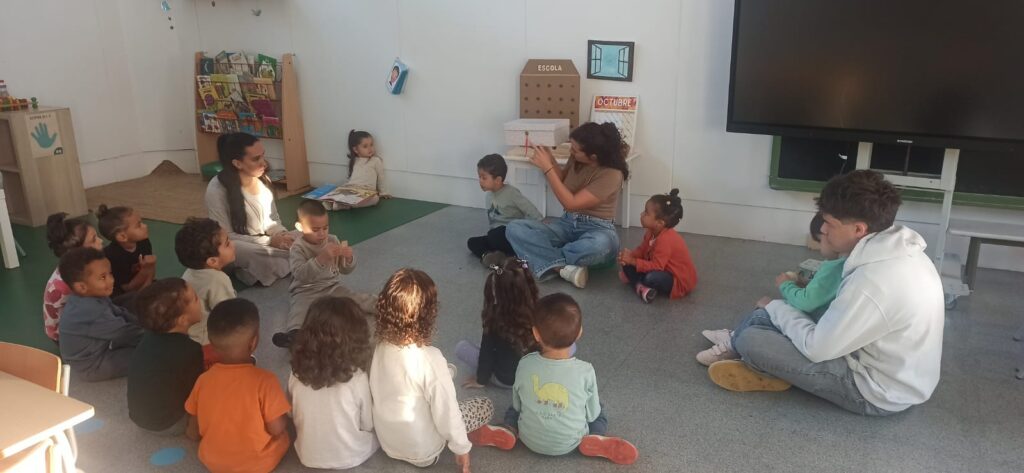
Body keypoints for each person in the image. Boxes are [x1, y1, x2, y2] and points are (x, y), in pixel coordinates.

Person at [700, 170, 945, 416]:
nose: (823, 230)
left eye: (830, 223)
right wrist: (778, 310)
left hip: (876, 391)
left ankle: (752, 356)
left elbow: (817, 348)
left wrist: (776, 307)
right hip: (878, 362)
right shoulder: (899, 251)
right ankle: (753, 355)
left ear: (859, 229)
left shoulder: (872, 281)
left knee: (753, 339)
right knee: (776, 313)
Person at [471, 293, 638, 465]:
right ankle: (595, 436)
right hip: (571, 443)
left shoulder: (525, 363)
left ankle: (510, 429)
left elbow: (517, 404)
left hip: (529, 439)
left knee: (514, 408)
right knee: (599, 409)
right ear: (579, 333)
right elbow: (592, 413)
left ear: (535, 333)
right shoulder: (585, 370)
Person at [369, 268, 494, 472]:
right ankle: (471, 435)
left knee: (438, 383)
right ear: (428, 315)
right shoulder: (430, 358)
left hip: (389, 445)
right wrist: (461, 449)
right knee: (484, 405)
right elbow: (447, 412)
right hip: (425, 454)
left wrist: (442, 374)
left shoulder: (380, 346)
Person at [505, 122, 629, 289]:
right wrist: (549, 158)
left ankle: (546, 258)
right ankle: (562, 267)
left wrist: (547, 168)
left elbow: (571, 204)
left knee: (600, 245)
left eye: (575, 150)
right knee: (514, 228)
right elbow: (564, 182)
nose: (571, 151)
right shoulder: (577, 159)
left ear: (593, 157)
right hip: (567, 224)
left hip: (598, 228)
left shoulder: (612, 174)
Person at [185, 298, 291, 473]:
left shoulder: (203, 380)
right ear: (253, 343)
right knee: (285, 435)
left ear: (211, 343)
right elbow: (276, 429)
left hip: (212, 462)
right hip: (258, 464)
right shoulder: (266, 381)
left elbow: (192, 432)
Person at [288, 296, 379, 469]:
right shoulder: (357, 378)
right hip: (352, 455)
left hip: (307, 455)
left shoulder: (296, 372)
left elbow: (292, 413)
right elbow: (367, 423)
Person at [272, 200, 377, 348]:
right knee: (300, 311)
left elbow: (345, 270)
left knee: (356, 299)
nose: (322, 234)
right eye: (315, 230)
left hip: (332, 286)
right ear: (300, 227)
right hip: (305, 290)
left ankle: (384, 305)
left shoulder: (333, 240)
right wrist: (320, 259)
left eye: (325, 228)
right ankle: (295, 335)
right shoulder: (298, 247)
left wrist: (349, 259)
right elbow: (300, 274)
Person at [205, 132, 298, 286]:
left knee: (306, 234)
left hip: (265, 244)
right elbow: (225, 237)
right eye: (256, 159)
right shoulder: (216, 190)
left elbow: (273, 220)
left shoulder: (263, 181)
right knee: (244, 250)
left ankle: (262, 268)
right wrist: (270, 241)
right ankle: (296, 257)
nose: (264, 163)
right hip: (241, 247)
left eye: (263, 156)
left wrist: (282, 234)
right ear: (237, 163)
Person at [127, 278, 203, 435]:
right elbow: (197, 394)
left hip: (140, 419)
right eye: (196, 298)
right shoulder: (190, 350)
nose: (200, 300)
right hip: (169, 423)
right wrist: (194, 428)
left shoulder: (149, 337)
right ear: (183, 320)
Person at [57, 247, 144, 382]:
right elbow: (126, 333)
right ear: (82, 287)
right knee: (147, 354)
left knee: (132, 303)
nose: (111, 280)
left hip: (100, 348)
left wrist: (141, 324)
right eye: (103, 277)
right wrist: (156, 336)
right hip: (90, 366)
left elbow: (119, 312)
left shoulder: (89, 295)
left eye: (110, 274)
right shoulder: (90, 313)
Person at [455, 257, 540, 389]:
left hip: (507, 380)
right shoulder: (542, 310)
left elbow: (487, 353)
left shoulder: (495, 319)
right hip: (535, 375)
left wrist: (481, 380)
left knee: (462, 348)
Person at [175, 217, 237, 368]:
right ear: (212, 261)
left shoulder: (190, 272)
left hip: (186, 340)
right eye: (227, 243)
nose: (233, 244)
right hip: (206, 344)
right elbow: (229, 314)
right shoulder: (217, 280)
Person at [616, 189, 697, 303]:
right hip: (660, 267)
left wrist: (633, 261)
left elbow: (657, 266)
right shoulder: (651, 232)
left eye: (646, 213)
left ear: (659, 223)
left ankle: (637, 282)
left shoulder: (665, 240)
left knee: (651, 278)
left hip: (677, 280)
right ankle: (641, 287)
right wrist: (630, 256)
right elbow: (642, 249)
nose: (641, 214)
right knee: (627, 265)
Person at [466, 154, 542, 267]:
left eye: (484, 178)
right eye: (479, 177)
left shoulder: (512, 193)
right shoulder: (489, 196)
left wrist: (538, 228)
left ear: (498, 180)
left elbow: (531, 210)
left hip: (511, 235)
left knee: (495, 235)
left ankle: (510, 254)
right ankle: (490, 257)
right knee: (472, 242)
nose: (480, 181)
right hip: (496, 238)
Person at [43, 212, 104, 343]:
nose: (101, 241)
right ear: (76, 251)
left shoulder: (78, 266)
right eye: (94, 239)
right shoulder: (67, 283)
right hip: (68, 336)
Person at [98, 204, 156, 298]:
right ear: (122, 236)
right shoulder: (113, 256)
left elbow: (150, 275)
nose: (145, 226)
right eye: (138, 225)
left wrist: (149, 288)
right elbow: (128, 288)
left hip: (143, 286)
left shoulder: (143, 242)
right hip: (121, 295)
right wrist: (147, 268)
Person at [323, 130, 390, 211]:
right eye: (365, 146)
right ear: (356, 150)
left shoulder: (376, 160)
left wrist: (383, 192)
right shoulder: (354, 160)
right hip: (351, 188)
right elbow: (352, 178)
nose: (370, 148)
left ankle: (345, 205)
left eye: (371, 145)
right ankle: (334, 201)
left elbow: (381, 177)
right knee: (339, 191)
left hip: (367, 191)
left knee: (375, 199)